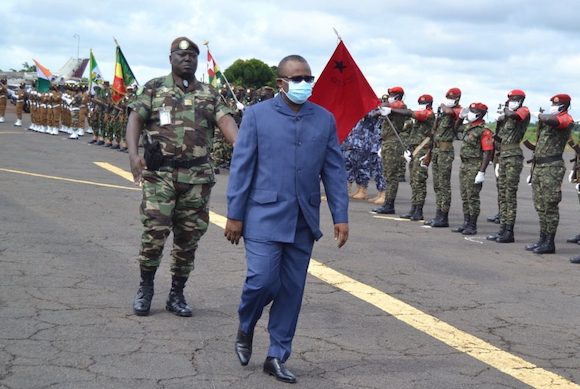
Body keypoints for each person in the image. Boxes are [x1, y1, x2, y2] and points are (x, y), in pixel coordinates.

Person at [224, 54, 349, 384]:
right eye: (297, 79)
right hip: (263, 215)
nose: (304, 84)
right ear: (281, 84)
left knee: (292, 291)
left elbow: (334, 171)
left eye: (308, 78)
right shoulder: (256, 116)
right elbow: (242, 167)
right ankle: (246, 323)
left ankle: (277, 355)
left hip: (303, 220)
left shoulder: (323, 119)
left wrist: (341, 215)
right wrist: (234, 215)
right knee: (263, 280)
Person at [125, 37, 238, 317]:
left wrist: (241, 145)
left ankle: (176, 294)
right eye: (181, 55)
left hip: (197, 177)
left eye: (192, 56)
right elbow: (134, 119)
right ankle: (146, 288)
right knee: (154, 233)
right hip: (160, 175)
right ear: (171, 58)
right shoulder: (153, 88)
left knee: (188, 239)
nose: (187, 59)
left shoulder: (209, 94)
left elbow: (225, 120)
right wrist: (132, 155)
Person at [525, 94, 574, 254]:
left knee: (550, 205)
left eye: (556, 104)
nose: (552, 106)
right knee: (540, 205)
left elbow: (555, 121)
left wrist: (540, 115)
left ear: (563, 106)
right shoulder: (549, 121)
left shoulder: (566, 119)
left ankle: (549, 242)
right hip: (540, 167)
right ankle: (542, 239)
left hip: (552, 168)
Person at [486, 90, 530, 243]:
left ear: (521, 100)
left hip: (513, 157)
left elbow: (514, 115)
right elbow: (498, 137)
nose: (511, 101)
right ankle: (502, 229)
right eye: (510, 99)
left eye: (514, 99)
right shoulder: (506, 117)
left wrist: (505, 111)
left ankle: (509, 232)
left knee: (509, 194)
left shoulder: (522, 111)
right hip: (503, 156)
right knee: (503, 193)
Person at [390, 94, 436, 221]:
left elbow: (410, 113)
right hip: (415, 151)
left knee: (419, 181)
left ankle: (418, 210)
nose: (420, 106)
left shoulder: (429, 114)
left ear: (429, 104)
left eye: (423, 103)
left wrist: (392, 110)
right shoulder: (420, 116)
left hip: (423, 152)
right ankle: (413, 208)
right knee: (414, 182)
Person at [450, 103, 493, 235]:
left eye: (472, 111)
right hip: (464, 165)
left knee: (472, 196)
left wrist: (481, 171)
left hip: (475, 166)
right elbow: (454, 130)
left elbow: (487, 152)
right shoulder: (469, 126)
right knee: (465, 196)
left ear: (479, 114)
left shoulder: (484, 130)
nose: (469, 113)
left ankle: (472, 225)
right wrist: (460, 118)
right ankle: (466, 223)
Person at [425, 88, 463, 227]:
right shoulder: (443, 113)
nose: (448, 100)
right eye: (447, 97)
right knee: (437, 185)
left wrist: (442, 105)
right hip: (436, 150)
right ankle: (438, 214)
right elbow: (434, 132)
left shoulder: (458, 111)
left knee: (444, 185)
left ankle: (444, 216)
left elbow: (449, 112)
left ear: (457, 99)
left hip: (445, 152)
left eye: (451, 97)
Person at [372, 86, 408, 214]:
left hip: (393, 143)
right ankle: (388, 203)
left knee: (391, 176)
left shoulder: (400, 106)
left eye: (392, 94)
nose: (390, 97)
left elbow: (404, 110)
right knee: (387, 174)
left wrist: (388, 108)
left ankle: (389, 204)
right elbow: (376, 113)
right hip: (387, 142)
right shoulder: (391, 107)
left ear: (398, 96)